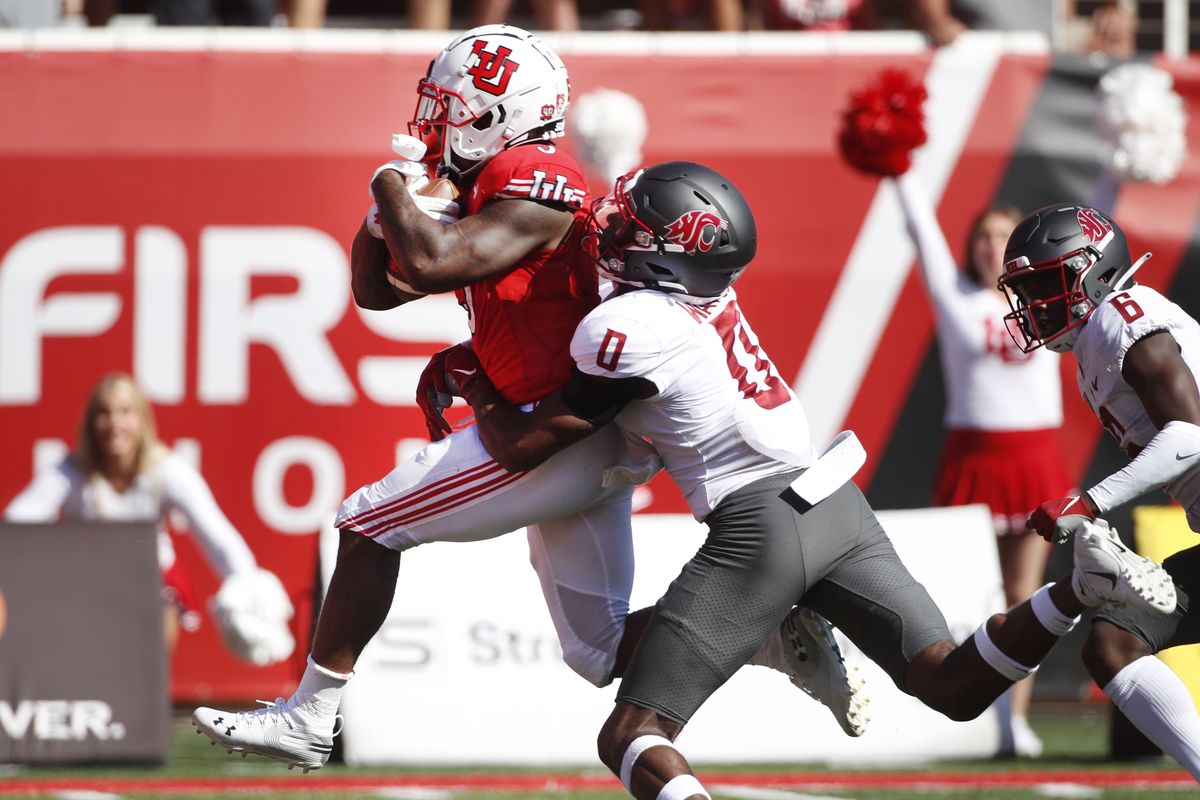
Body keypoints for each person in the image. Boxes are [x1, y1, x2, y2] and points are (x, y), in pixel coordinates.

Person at [192, 25, 863, 774]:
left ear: (493, 113)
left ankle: (312, 713)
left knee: (367, 523)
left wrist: (388, 183)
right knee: (595, 651)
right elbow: (377, 289)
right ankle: (772, 637)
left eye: (450, 108)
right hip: (576, 433)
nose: (434, 124)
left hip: (556, 432)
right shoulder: (496, 178)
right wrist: (385, 215)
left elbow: (434, 258)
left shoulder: (537, 173)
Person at [447, 161, 1179, 798]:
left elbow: (524, 443)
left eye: (632, 228)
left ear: (671, 253)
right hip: (833, 495)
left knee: (632, 733)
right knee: (950, 683)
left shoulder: (631, 326)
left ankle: (773, 627)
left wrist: (472, 378)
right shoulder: (712, 299)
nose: (614, 235)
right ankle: (1077, 589)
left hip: (759, 522)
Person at [999, 203, 1200, 780]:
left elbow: (1189, 437)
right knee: (1112, 645)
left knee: (1113, 642)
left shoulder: (1122, 317)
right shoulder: (1098, 335)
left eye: (1045, 282)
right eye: (1027, 288)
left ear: (1095, 271)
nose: (1034, 302)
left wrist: (1086, 501)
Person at [893, 174, 1074, 756]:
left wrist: (1121, 162)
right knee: (974, 593)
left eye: (1003, 235)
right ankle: (970, 717)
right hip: (974, 459)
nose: (991, 246)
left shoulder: (1048, 300)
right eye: (983, 237)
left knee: (1025, 593)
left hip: (1034, 459)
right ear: (970, 248)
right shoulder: (957, 300)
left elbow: (1099, 222)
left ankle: (1013, 722)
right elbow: (922, 235)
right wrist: (900, 168)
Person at [4, 373, 294, 666]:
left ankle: (148, 692)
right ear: (90, 423)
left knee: (158, 621)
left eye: (125, 412)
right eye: (104, 413)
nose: (114, 423)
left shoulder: (166, 469)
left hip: (152, 581)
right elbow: (17, 523)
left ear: (141, 420)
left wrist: (249, 589)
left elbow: (216, 536)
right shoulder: (71, 471)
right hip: (84, 582)